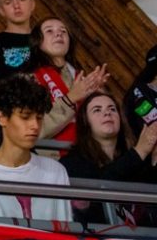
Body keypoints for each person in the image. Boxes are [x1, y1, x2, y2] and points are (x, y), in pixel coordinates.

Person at [0, 74, 73, 222]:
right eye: (25, 117)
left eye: (39, 117)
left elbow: (65, 230)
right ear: (2, 117)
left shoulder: (56, 171)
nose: (35, 125)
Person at [61, 92, 157, 224]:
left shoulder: (136, 160)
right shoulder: (71, 162)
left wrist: (154, 160)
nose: (107, 113)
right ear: (85, 121)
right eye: (97, 110)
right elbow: (97, 191)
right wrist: (140, 152)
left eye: (112, 109)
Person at [28, 16, 109, 146]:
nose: (59, 34)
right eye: (49, 31)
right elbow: (33, 130)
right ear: (37, 41)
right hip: (51, 154)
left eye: (63, 31)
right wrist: (70, 99)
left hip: (88, 150)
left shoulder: (79, 77)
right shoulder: (29, 79)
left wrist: (99, 96)